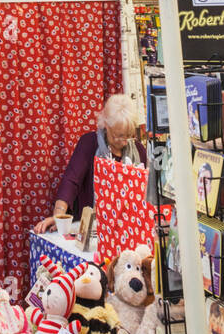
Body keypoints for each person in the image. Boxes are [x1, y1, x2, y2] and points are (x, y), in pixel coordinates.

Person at [33, 93, 145, 234]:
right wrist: (58, 215)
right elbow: (71, 181)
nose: (124, 142)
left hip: (128, 228)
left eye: (129, 135)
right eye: (119, 136)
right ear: (106, 125)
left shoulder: (139, 151)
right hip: (91, 229)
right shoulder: (89, 143)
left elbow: (144, 193)